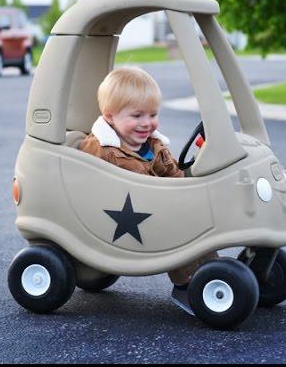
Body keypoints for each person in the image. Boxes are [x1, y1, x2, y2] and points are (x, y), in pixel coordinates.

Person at [79, 66, 218, 313]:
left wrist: (191, 188)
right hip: (122, 216)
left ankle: (213, 271)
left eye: (153, 114)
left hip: (147, 203)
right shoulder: (105, 151)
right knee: (177, 226)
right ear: (110, 117)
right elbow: (131, 189)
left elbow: (173, 175)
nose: (147, 123)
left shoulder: (152, 144)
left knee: (195, 216)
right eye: (137, 116)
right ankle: (187, 283)